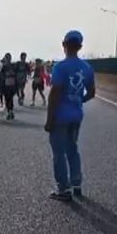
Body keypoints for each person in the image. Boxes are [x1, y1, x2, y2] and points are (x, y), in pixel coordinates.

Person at [45, 30, 95, 202]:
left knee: (58, 153)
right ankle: (76, 184)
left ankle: (63, 189)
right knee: (72, 149)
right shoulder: (87, 67)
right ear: (80, 46)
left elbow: (54, 95)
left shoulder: (60, 67)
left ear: (64, 45)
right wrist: (78, 101)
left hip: (60, 116)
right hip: (76, 115)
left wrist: (49, 119)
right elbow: (92, 92)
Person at [0, 54, 18, 120]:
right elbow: (1, 76)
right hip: (6, 85)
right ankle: (9, 111)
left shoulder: (13, 66)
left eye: (9, 58)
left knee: (10, 98)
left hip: (12, 85)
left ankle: (10, 111)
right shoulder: (3, 67)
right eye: (7, 58)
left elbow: (16, 76)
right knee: (7, 99)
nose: (8, 59)